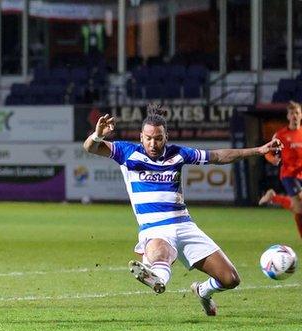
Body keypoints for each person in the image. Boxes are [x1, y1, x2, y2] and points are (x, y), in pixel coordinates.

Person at [83, 104, 281, 316]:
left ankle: (202, 291)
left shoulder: (178, 154)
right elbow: (90, 148)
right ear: (141, 137)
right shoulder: (127, 152)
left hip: (185, 226)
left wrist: (259, 150)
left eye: (158, 138)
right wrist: (96, 135)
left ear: (166, 136)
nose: (153, 143)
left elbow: (218, 156)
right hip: (155, 228)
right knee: (161, 252)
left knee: (230, 279)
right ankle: (157, 277)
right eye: (148, 138)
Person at [258, 101, 302, 239]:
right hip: (290, 174)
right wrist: (273, 159)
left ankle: (273, 197)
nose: (294, 116)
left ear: (301, 115)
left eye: (297, 113)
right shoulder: (281, 135)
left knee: (298, 208)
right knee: (300, 203)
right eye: (292, 113)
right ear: (288, 116)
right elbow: (268, 152)